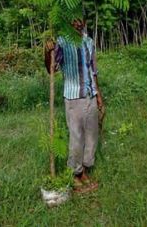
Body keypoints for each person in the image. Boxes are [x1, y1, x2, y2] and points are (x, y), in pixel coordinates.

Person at [44, 18, 104, 193]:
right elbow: (51, 69)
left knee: (91, 137)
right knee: (77, 138)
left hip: (90, 95)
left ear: (84, 21)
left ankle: (84, 170)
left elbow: (94, 71)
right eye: (74, 20)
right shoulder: (62, 41)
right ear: (69, 22)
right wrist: (48, 52)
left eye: (81, 20)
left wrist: (99, 95)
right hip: (73, 97)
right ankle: (74, 174)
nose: (78, 23)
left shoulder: (89, 41)